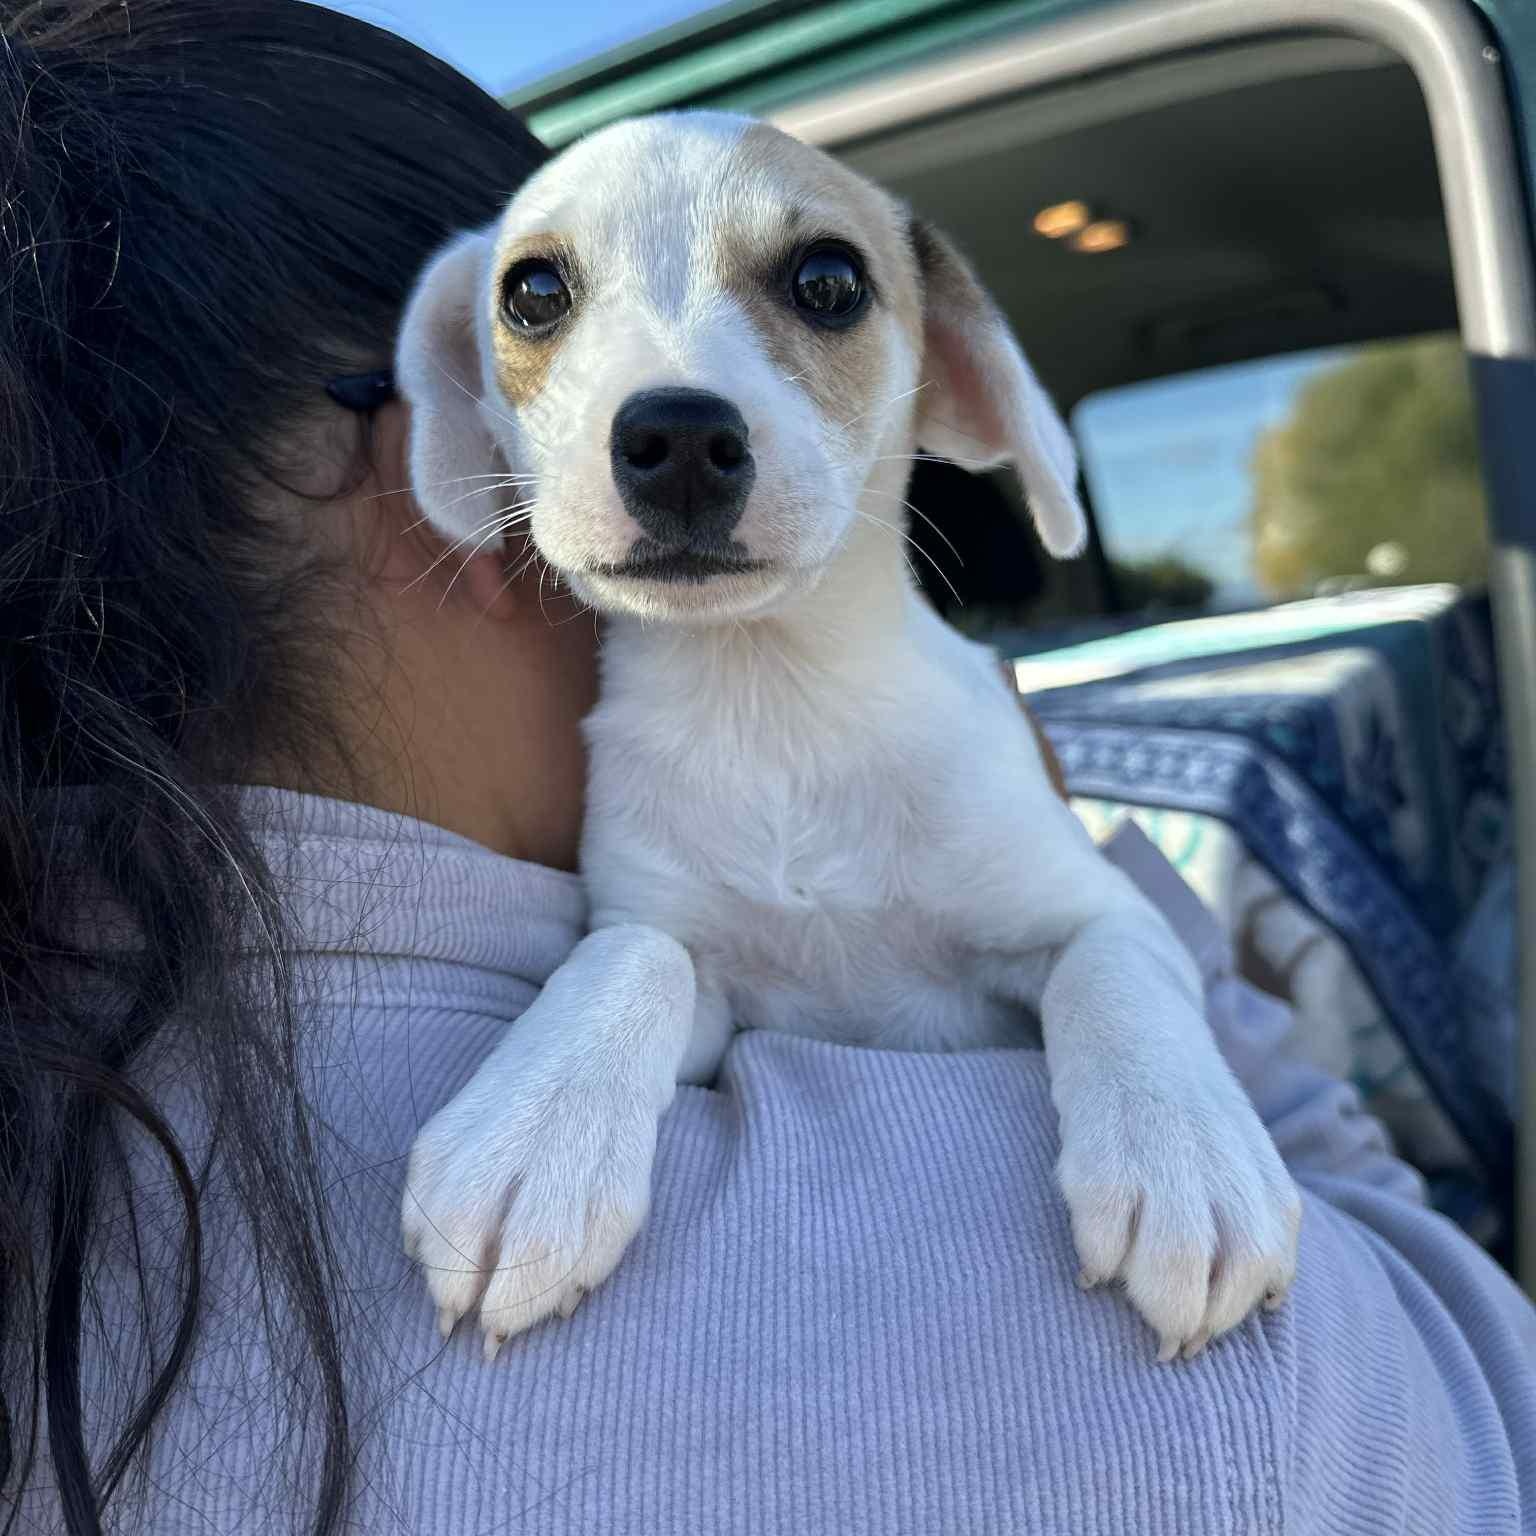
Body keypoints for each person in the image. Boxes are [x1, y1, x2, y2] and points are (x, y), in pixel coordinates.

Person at [1, 3, 1531, 1533]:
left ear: (955, 376)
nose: (679, 407)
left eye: (814, 284)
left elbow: (1059, 937)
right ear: (449, 430)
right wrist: (628, 993)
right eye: (547, 297)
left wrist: (1133, 1012)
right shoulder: (1269, 1423)